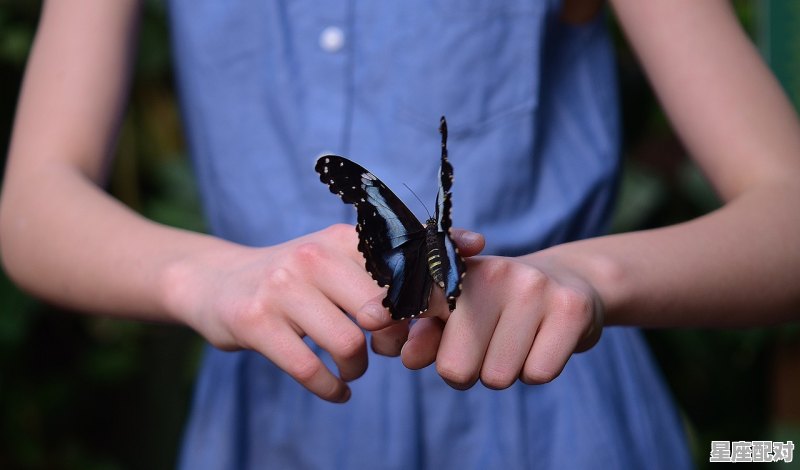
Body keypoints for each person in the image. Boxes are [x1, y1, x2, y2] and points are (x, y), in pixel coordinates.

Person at [2, 0, 799, 468]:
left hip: (551, 403)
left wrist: (586, 279)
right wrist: (204, 276)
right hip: (275, 424)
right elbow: (35, 200)